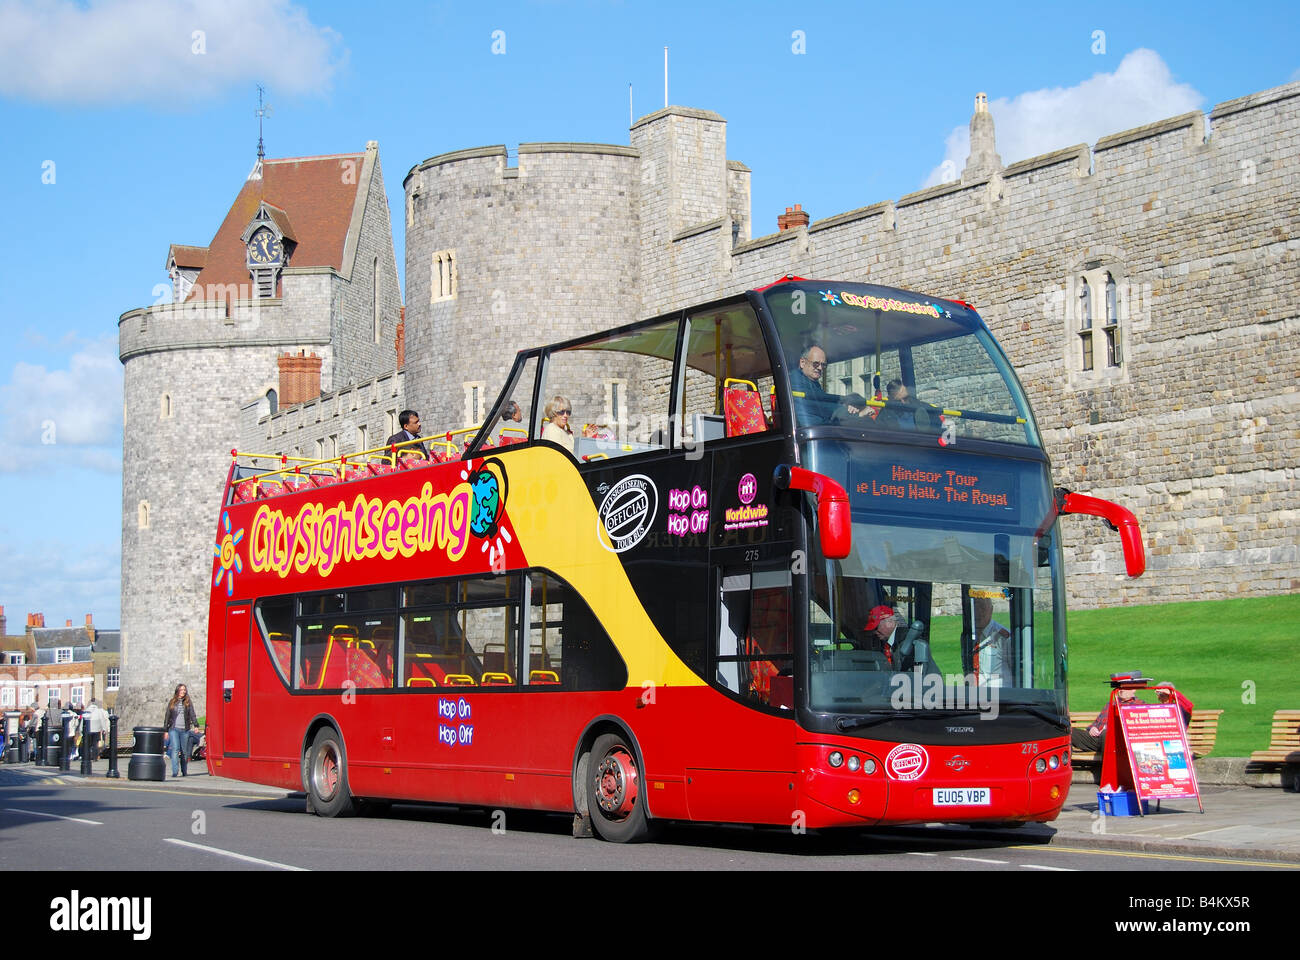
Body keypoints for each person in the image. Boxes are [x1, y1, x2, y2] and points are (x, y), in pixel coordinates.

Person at [1071, 686, 1138, 753]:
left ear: (1133, 689)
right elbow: (1097, 722)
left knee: (1106, 733)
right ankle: (1065, 760)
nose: (1121, 690)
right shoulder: (1110, 704)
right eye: (1119, 688)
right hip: (1097, 739)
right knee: (1068, 731)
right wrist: (1093, 728)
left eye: (1125, 688)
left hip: (1116, 741)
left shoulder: (1138, 705)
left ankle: (1108, 762)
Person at [788, 343, 840, 425]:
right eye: (816, 363)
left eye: (823, 365)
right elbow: (818, 404)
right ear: (802, 363)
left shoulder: (814, 384)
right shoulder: (794, 381)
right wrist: (845, 408)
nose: (820, 368)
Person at [970, 597, 1012, 686]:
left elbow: (1019, 672)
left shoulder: (1003, 637)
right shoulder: (966, 636)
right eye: (975, 608)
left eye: (982, 608)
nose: (978, 612)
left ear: (991, 610)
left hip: (999, 697)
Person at [163, 683, 201, 777]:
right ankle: (175, 772)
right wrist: (166, 730)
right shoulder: (172, 702)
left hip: (185, 729)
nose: (183, 691)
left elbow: (192, 713)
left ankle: (184, 771)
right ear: (177, 691)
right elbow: (167, 716)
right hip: (173, 729)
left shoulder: (188, 702)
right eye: (181, 690)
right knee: (175, 749)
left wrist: (196, 725)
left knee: (184, 751)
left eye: (184, 690)